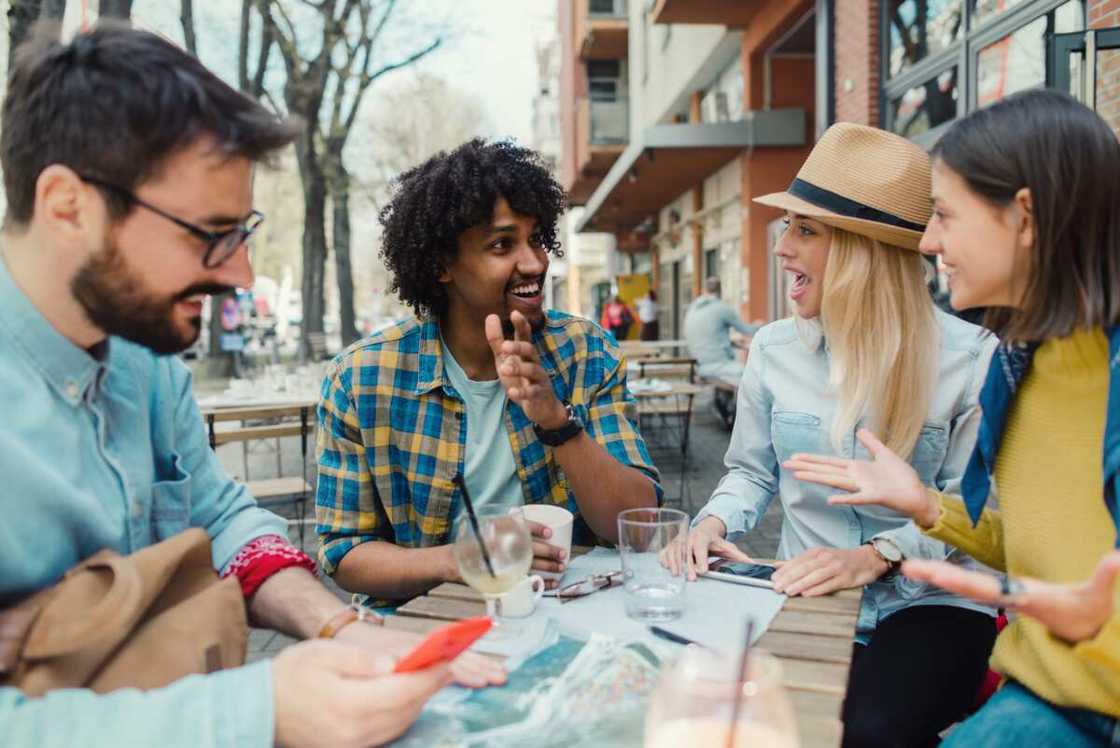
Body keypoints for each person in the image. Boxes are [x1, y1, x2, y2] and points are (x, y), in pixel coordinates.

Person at [0, 24, 502, 748]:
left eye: (243, 233)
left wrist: (344, 628)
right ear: (67, 206)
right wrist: (259, 711)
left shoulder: (144, 365)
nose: (238, 275)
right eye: (208, 233)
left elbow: (225, 518)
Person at [786, 90, 1120, 747]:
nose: (929, 240)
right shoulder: (1019, 365)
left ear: (1024, 216)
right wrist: (926, 507)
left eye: (944, 215)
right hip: (1048, 700)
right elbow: (1034, 546)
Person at [674, 123, 999, 747]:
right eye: (788, 226)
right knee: (738, 719)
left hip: (932, 603)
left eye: (805, 230)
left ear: (861, 250)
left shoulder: (971, 360)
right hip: (804, 591)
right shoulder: (772, 349)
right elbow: (749, 471)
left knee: (868, 733)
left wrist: (876, 557)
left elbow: (974, 511)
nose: (781, 247)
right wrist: (711, 524)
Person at [315, 139, 661, 604]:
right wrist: (458, 561)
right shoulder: (361, 379)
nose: (535, 262)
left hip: (563, 609)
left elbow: (637, 524)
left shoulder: (585, 351)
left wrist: (557, 422)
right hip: (425, 623)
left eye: (536, 238)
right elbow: (345, 553)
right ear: (443, 265)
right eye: (503, 244)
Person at [682, 277, 759, 386]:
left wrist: (729, 342)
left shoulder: (693, 308)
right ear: (720, 291)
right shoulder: (722, 308)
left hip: (698, 365)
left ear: (704, 290)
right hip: (718, 366)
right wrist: (760, 325)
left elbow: (707, 336)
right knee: (754, 375)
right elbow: (748, 331)